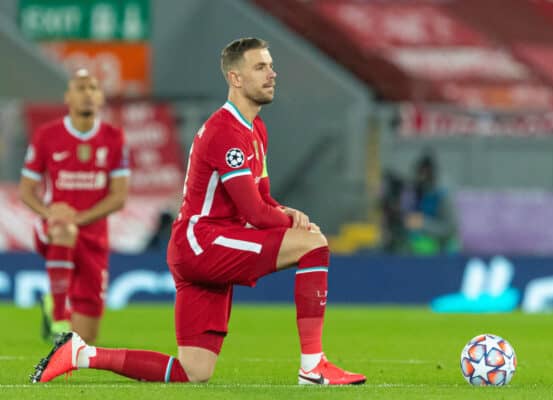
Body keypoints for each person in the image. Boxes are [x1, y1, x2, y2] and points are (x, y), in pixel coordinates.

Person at [30, 37, 366, 385]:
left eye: (271, 65)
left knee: (193, 372)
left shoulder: (255, 130)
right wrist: (292, 222)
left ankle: (81, 354)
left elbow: (262, 197)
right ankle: (313, 366)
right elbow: (253, 211)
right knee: (314, 244)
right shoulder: (225, 131)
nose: (272, 74)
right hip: (204, 242)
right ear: (235, 78)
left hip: (199, 245)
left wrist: (286, 211)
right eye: (260, 67)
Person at [19, 69, 130, 344]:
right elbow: (26, 191)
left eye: (93, 88)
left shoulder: (114, 138)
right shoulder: (47, 135)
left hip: (94, 236)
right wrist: (50, 213)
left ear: (101, 97)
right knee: (64, 229)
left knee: (84, 341)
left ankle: (53, 306)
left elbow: (119, 197)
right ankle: (58, 314)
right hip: (53, 226)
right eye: (80, 88)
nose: (87, 94)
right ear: (68, 97)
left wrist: (81, 217)